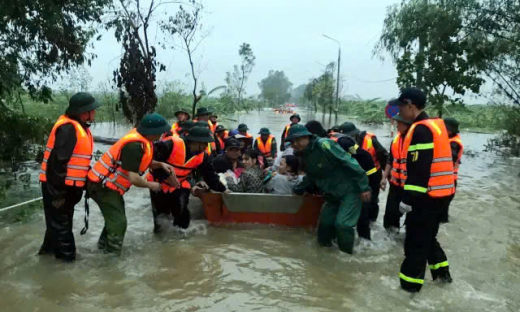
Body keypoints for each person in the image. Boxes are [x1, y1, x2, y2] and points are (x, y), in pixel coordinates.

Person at [390, 87, 454, 293]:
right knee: (428, 239)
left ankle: (408, 292)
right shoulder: (436, 126)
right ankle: (443, 278)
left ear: (410, 105)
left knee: (415, 244)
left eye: (400, 107)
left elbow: (419, 170)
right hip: (441, 194)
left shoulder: (421, 130)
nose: (399, 112)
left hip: (426, 197)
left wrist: (407, 200)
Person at [87, 113, 176, 255]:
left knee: (114, 219)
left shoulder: (143, 141)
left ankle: (102, 248)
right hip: (102, 186)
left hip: (107, 186)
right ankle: (111, 258)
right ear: (151, 131)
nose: (162, 134)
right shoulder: (134, 146)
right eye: (160, 131)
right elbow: (134, 179)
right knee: (119, 222)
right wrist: (151, 185)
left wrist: (160, 164)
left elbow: (141, 163)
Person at [38, 92, 101, 262]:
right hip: (57, 188)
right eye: (92, 110)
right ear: (83, 112)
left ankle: (46, 259)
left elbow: (76, 163)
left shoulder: (79, 128)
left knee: (57, 227)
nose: (94, 113)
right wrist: (58, 195)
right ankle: (67, 267)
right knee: (62, 229)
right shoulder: (68, 129)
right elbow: (56, 165)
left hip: (68, 188)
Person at [289, 125, 371, 254]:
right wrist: (298, 189)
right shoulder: (304, 155)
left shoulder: (324, 144)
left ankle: (346, 256)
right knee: (325, 225)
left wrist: (364, 187)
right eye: (292, 142)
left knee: (343, 225)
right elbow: (311, 176)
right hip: (332, 194)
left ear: (307, 137)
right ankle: (325, 255)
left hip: (350, 190)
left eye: (297, 140)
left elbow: (349, 162)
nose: (295, 144)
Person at [147, 126, 227, 233]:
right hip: (158, 183)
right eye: (204, 143)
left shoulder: (204, 157)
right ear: (194, 141)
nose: (205, 146)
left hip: (179, 184)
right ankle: (161, 239)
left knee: (182, 214)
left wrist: (224, 190)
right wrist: (166, 177)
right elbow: (150, 161)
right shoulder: (170, 144)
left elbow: (210, 176)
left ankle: (181, 240)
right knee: (161, 216)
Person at [308, 120, 377, 241]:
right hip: (341, 186)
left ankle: (365, 244)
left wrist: (366, 186)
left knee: (363, 215)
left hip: (362, 178)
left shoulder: (339, 142)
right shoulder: (317, 148)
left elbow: (364, 157)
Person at [340, 121, 388, 222]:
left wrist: (385, 177)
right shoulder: (343, 142)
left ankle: (372, 222)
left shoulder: (370, 139)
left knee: (372, 200)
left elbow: (384, 156)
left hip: (374, 174)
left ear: (356, 134)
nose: (349, 139)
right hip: (358, 175)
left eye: (351, 136)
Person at [380, 112, 413, 232]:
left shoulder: (415, 140)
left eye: (399, 123)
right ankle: (391, 243)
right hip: (395, 185)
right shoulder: (396, 139)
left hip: (410, 187)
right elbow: (391, 159)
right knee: (389, 217)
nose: (396, 125)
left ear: (407, 124)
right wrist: (384, 178)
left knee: (411, 220)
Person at [441, 117, 464, 223]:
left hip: (448, 182)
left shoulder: (454, 143)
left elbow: (448, 159)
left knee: (441, 212)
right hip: (448, 182)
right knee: (442, 211)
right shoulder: (448, 139)